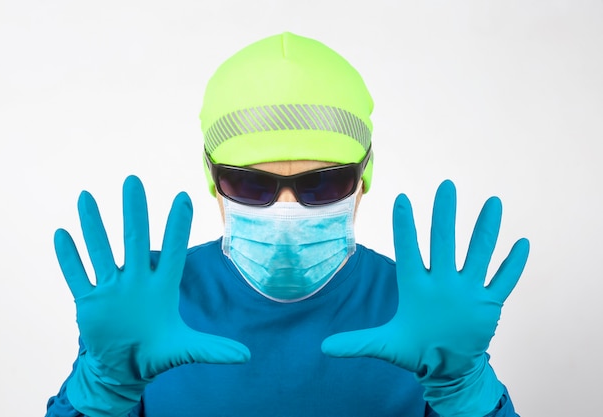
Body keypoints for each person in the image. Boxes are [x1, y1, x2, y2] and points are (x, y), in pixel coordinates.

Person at [46, 32, 529, 417]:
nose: (287, 210)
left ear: (366, 175)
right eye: (251, 184)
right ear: (212, 179)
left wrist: (467, 392)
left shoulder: (424, 306)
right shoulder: (147, 302)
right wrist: (100, 394)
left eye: (324, 183)